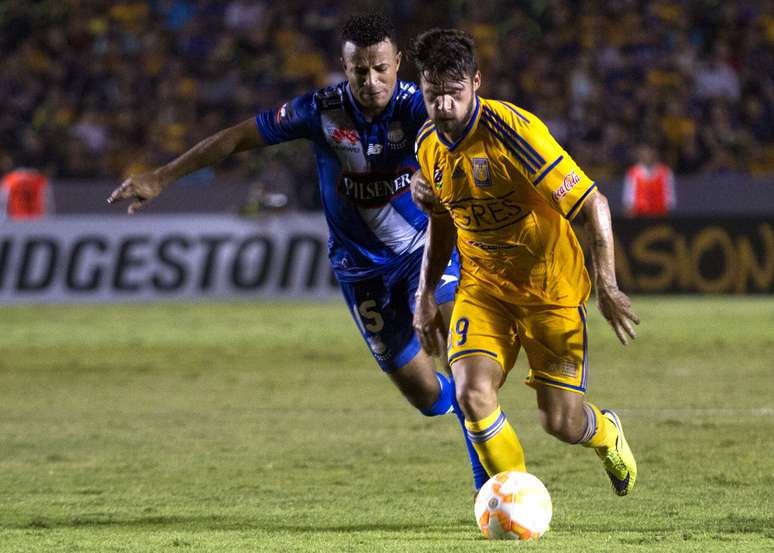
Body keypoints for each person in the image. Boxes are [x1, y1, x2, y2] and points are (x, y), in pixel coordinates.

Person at [106, 14, 488, 489]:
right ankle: (465, 411)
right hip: (359, 271)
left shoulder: (421, 108)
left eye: (380, 69)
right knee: (427, 395)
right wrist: (161, 176)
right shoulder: (318, 110)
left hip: (421, 253)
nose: (371, 81)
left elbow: (471, 145)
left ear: (398, 63)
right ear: (343, 67)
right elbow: (237, 137)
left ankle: (492, 480)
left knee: (457, 341)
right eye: (359, 71)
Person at [410, 28, 639, 496]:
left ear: (477, 81)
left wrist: (608, 286)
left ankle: (606, 432)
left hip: (550, 292)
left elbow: (594, 204)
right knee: (471, 393)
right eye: (434, 96)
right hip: (484, 289)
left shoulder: (516, 134)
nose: (444, 108)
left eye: (454, 94)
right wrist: (425, 294)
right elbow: (444, 222)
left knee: (561, 421)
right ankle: (516, 502)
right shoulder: (427, 145)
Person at [623, 144, 676, 217]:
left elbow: (670, 200)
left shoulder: (665, 172)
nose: (648, 155)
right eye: (645, 152)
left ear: (655, 153)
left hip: (660, 216)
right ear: (640, 154)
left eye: (650, 152)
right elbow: (628, 201)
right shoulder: (633, 173)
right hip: (639, 216)